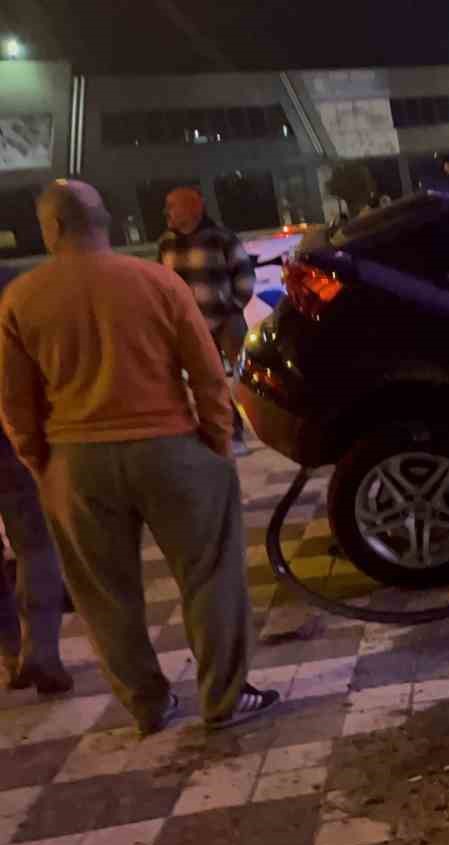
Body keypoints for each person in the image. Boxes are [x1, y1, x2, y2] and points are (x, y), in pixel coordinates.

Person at [0, 180, 279, 735]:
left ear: (50, 229)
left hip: (75, 460)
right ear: (104, 221)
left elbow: (15, 403)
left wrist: (41, 464)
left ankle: (148, 704)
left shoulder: (21, 299)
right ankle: (223, 698)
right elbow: (206, 374)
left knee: (105, 594)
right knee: (210, 574)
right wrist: (216, 446)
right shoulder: (157, 282)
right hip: (171, 449)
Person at [0, 265, 72, 697]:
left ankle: (11, 655)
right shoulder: (17, 288)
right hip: (12, 439)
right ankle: (40, 650)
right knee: (36, 545)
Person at [157, 187, 254, 456]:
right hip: (190, 326)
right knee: (207, 382)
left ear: (193, 208)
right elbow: (163, 284)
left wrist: (232, 308)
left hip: (226, 321)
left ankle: (252, 427)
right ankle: (224, 433)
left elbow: (244, 277)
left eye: (171, 206)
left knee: (241, 377)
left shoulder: (221, 238)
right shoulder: (166, 242)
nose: (167, 212)